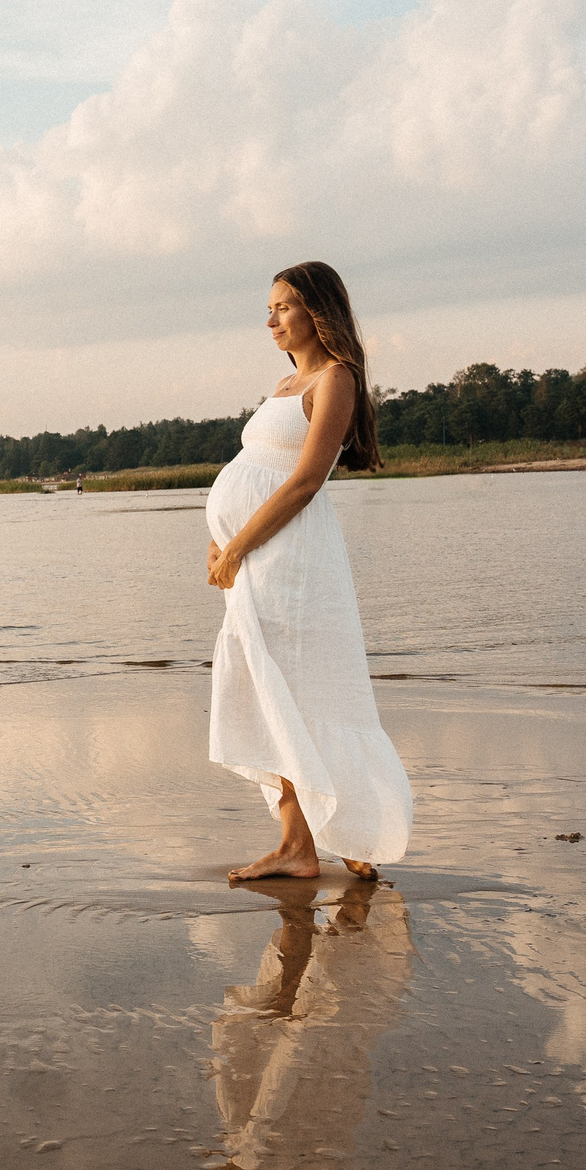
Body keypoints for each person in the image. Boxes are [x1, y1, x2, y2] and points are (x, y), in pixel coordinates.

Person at [205, 261, 415, 884]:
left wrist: (237, 545)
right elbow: (252, 469)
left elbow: (302, 482)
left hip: (290, 563)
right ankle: (303, 840)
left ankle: (338, 832)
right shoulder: (282, 384)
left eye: (284, 307)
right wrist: (218, 542)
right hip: (254, 564)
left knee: (305, 692)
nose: (271, 320)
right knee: (276, 694)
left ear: (318, 311)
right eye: (268, 309)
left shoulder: (335, 379)